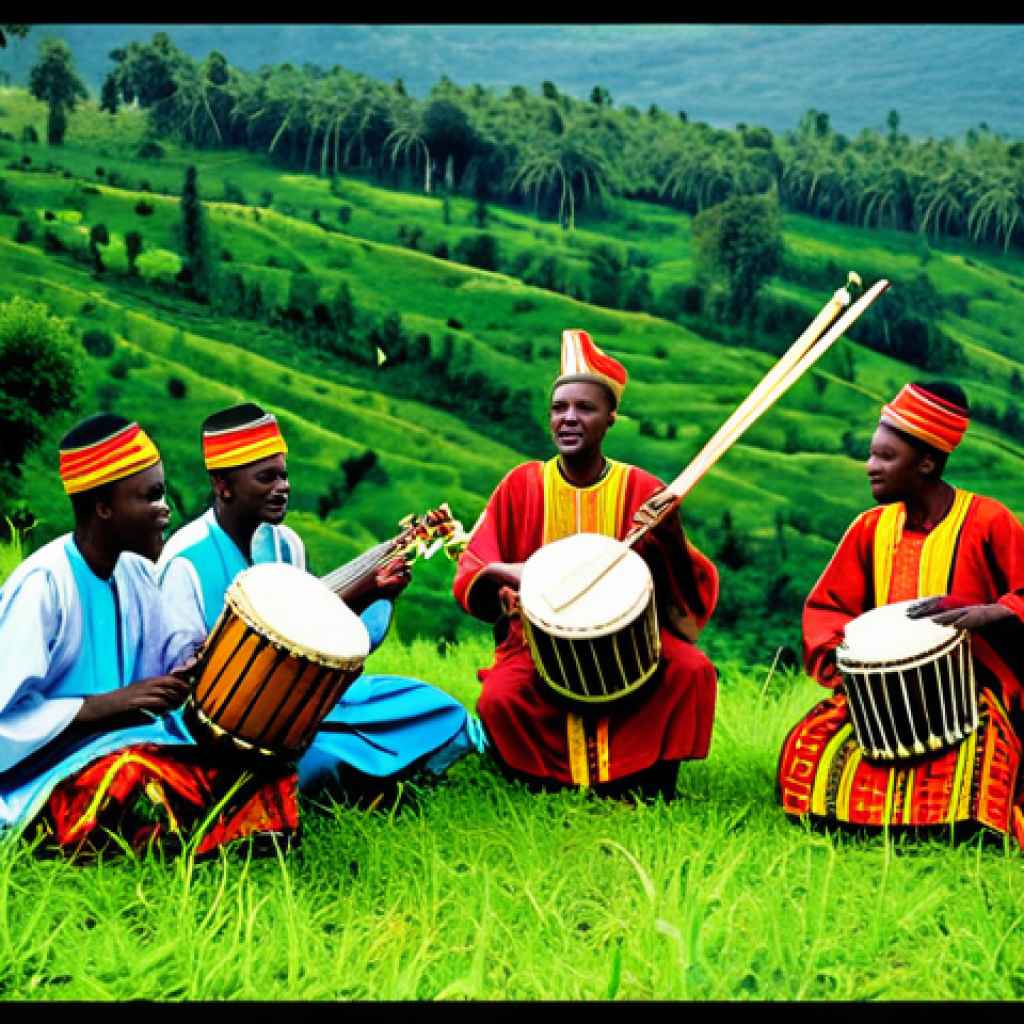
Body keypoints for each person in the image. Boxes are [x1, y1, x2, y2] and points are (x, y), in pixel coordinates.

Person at [0, 413, 299, 857]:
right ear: (103, 508)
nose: (166, 509)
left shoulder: (139, 572)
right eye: (151, 496)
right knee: (134, 775)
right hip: (42, 776)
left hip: (128, 744)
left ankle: (228, 838)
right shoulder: (44, 583)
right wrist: (107, 706)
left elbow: (166, 672)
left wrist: (194, 671)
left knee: (260, 766)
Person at [157, 402, 484, 806]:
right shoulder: (184, 562)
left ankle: (353, 775)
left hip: (308, 705)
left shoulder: (285, 544)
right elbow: (180, 679)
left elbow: (312, 640)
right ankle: (350, 779)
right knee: (319, 763)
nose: (283, 487)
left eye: (284, 475)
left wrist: (372, 592)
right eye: (266, 477)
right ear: (224, 485)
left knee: (435, 709)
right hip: (233, 731)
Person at [453, 329, 719, 800]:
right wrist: (498, 575)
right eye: (560, 409)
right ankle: (538, 782)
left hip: (633, 642)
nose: (569, 419)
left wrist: (670, 529)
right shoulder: (522, 484)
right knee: (500, 698)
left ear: (610, 417)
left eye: (585, 408)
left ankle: (652, 784)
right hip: (535, 644)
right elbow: (479, 563)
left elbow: (682, 597)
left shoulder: (640, 487)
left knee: (691, 671)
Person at [778, 381, 1024, 843]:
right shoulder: (869, 528)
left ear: (926, 464)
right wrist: (844, 661)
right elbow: (829, 606)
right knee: (810, 751)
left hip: (969, 692)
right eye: (871, 455)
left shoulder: (988, 520)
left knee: (978, 766)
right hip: (878, 697)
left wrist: (996, 611)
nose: (870, 467)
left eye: (885, 457)